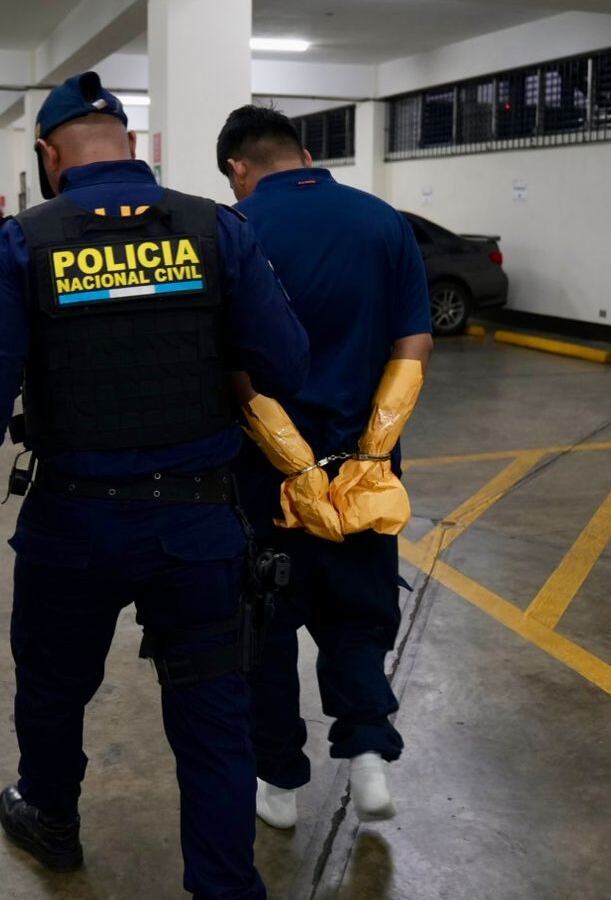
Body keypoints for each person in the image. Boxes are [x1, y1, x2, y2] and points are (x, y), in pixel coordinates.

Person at [0, 75, 309, 900]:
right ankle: (225, 887)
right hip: (198, 524)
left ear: (49, 156)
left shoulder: (24, 244)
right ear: (133, 147)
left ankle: (52, 819)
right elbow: (287, 363)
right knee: (213, 717)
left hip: (73, 526)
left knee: (53, 690)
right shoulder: (216, 229)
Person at [214, 106, 434, 830]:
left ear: (238, 168)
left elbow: (233, 364)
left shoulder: (235, 229)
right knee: (359, 615)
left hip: (265, 477)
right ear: (305, 154)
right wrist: (370, 454)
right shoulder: (383, 222)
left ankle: (278, 783)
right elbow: (413, 345)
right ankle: (367, 754)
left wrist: (294, 459)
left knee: (265, 626)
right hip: (366, 479)